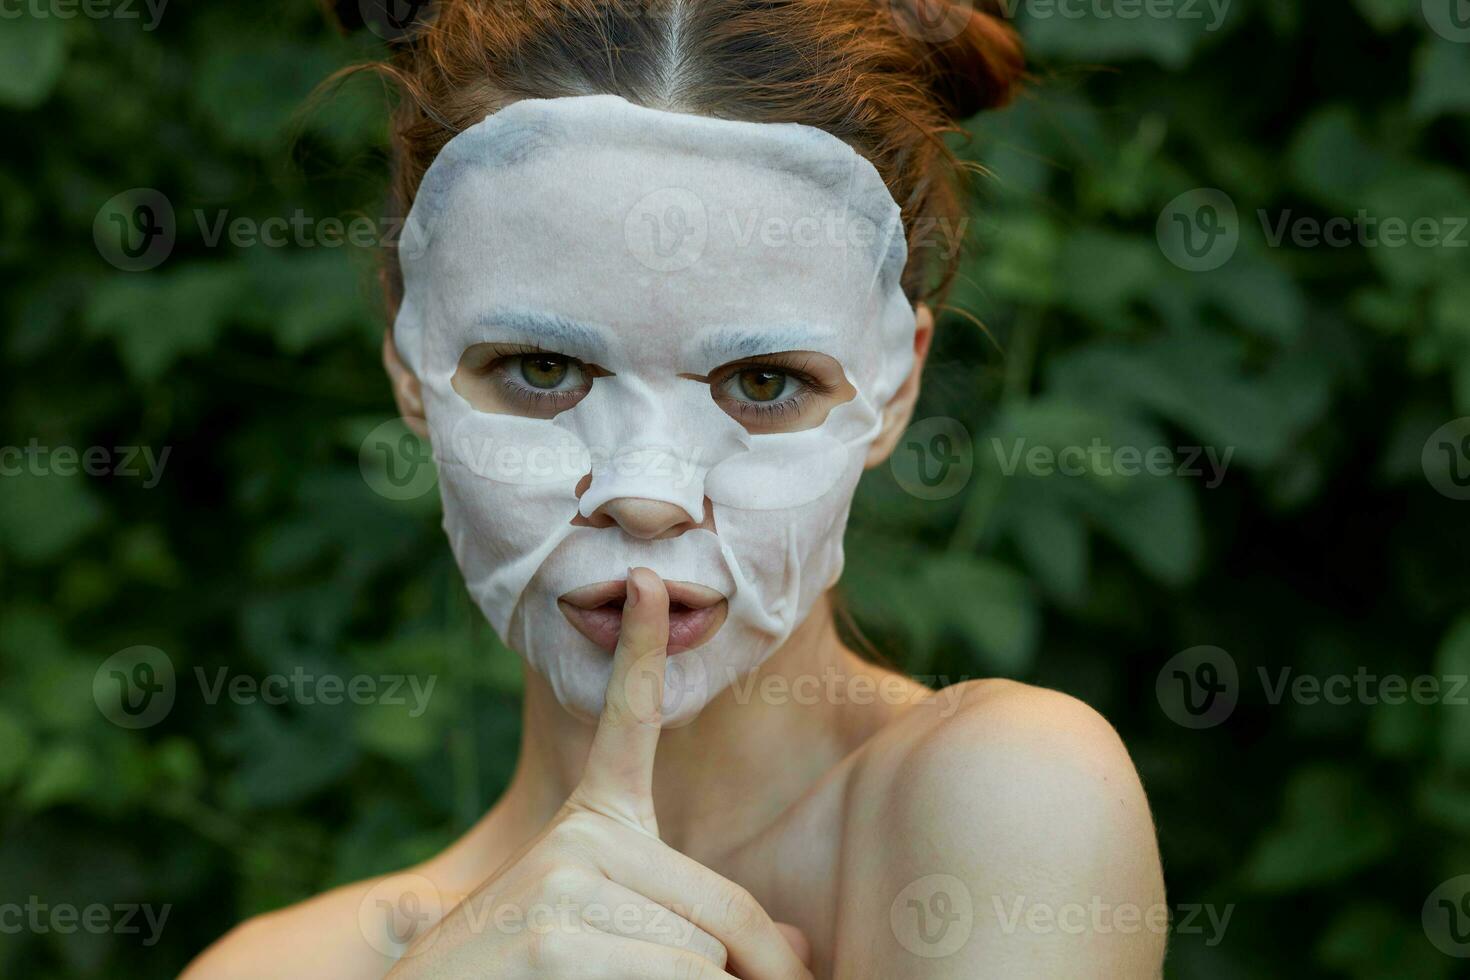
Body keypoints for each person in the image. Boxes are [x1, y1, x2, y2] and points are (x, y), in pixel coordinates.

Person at [186, 1, 1165, 976]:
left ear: (895, 383)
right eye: (539, 367)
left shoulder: (1010, 796)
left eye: (764, 383)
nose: (648, 500)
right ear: (410, 358)